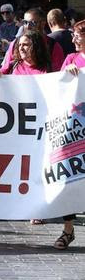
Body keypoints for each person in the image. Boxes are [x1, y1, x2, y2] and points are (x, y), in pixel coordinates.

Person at [55, 20, 85, 249]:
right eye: (73, 35)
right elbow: (57, 85)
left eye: (77, 36)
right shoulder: (70, 59)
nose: (73, 39)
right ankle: (68, 229)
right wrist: (67, 73)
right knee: (71, 176)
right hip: (76, 129)